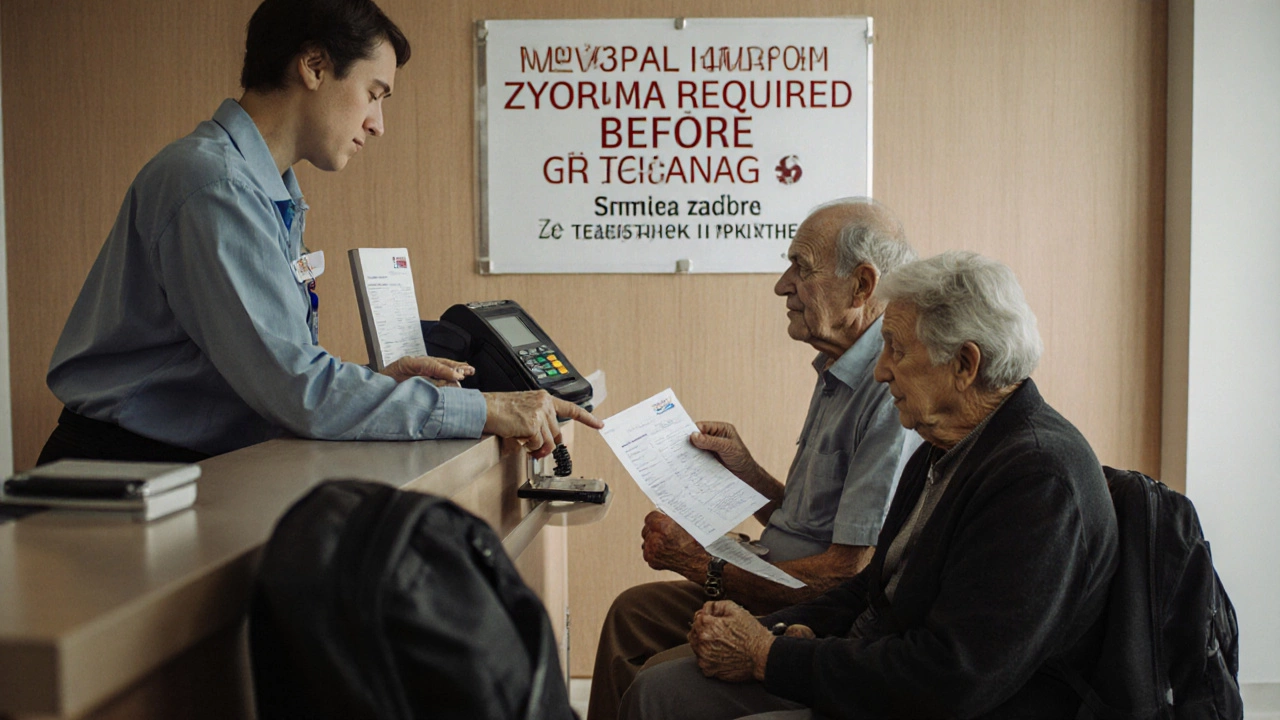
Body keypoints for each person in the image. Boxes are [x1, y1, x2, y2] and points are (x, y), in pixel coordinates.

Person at [39, 0, 600, 465]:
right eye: (375, 93)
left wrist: (376, 382)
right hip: (120, 473)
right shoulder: (215, 185)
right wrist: (484, 410)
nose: (377, 124)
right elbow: (296, 390)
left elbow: (269, 370)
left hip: (181, 464)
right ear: (312, 65)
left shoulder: (264, 189)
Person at [620, 251, 1120, 720]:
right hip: (874, 664)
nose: (881, 372)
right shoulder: (945, 446)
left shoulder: (1037, 481)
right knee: (662, 680)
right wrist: (786, 629)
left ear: (966, 365)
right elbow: (874, 586)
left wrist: (768, 654)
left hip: (929, 701)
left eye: (898, 352)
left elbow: (953, 677)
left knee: (662, 692)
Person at [588, 198, 921, 720]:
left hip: (806, 606)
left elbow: (847, 571)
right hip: (772, 572)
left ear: (861, 284)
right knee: (630, 615)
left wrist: (700, 565)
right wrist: (747, 471)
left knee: (659, 682)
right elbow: (809, 519)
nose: (782, 285)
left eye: (801, 269)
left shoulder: (885, 391)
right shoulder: (836, 368)